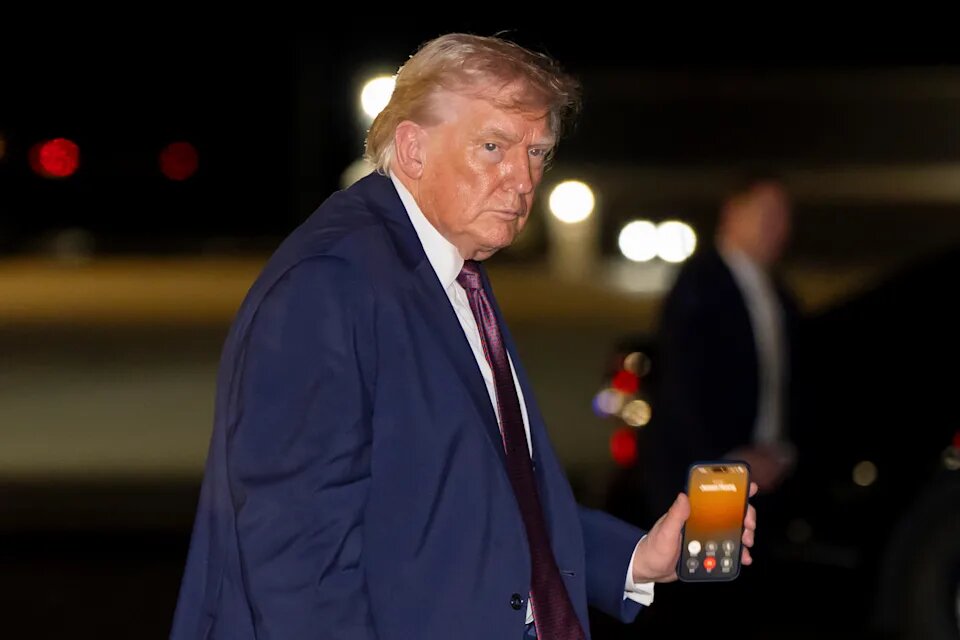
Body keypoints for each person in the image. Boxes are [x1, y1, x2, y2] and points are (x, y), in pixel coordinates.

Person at [170, 33, 757, 640]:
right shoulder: (330, 282)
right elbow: (295, 556)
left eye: (537, 152)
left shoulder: (447, 266)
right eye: (493, 147)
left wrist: (634, 558)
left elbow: (483, 497)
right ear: (413, 149)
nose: (522, 179)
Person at [639, 174, 801, 524]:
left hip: (766, 477)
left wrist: (781, 452)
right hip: (710, 473)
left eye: (783, 216)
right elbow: (682, 381)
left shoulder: (780, 296)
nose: (777, 227)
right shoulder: (700, 284)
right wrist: (727, 456)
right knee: (710, 557)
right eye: (766, 213)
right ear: (733, 212)